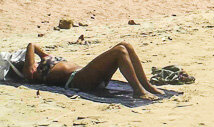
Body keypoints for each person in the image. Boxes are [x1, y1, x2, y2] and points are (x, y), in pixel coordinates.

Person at [10, 41, 163, 100]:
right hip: (78, 80)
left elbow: (35, 47)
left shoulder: (43, 60)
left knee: (126, 45)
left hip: (86, 75)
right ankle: (138, 91)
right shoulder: (31, 73)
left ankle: (146, 85)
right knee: (119, 51)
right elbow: (31, 45)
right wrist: (29, 57)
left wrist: (39, 55)